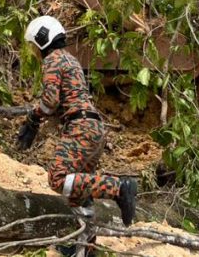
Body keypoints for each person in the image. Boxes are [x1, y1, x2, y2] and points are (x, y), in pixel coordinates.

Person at [17, 15, 138, 229]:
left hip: (80, 127)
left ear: (42, 40)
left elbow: (50, 101)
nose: (33, 51)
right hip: (93, 127)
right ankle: (83, 242)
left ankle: (119, 187)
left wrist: (33, 119)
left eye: (33, 45)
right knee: (78, 195)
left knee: (58, 179)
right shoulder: (70, 60)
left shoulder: (52, 60)